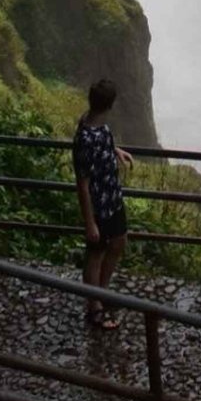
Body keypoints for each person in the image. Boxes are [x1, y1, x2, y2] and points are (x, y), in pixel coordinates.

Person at [73, 78, 134, 330]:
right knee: (96, 253)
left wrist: (115, 151)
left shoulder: (100, 128)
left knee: (119, 242)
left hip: (113, 198)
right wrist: (90, 223)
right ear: (109, 105)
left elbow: (103, 143)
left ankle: (103, 291)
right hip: (98, 205)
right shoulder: (85, 138)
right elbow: (82, 184)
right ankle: (94, 308)